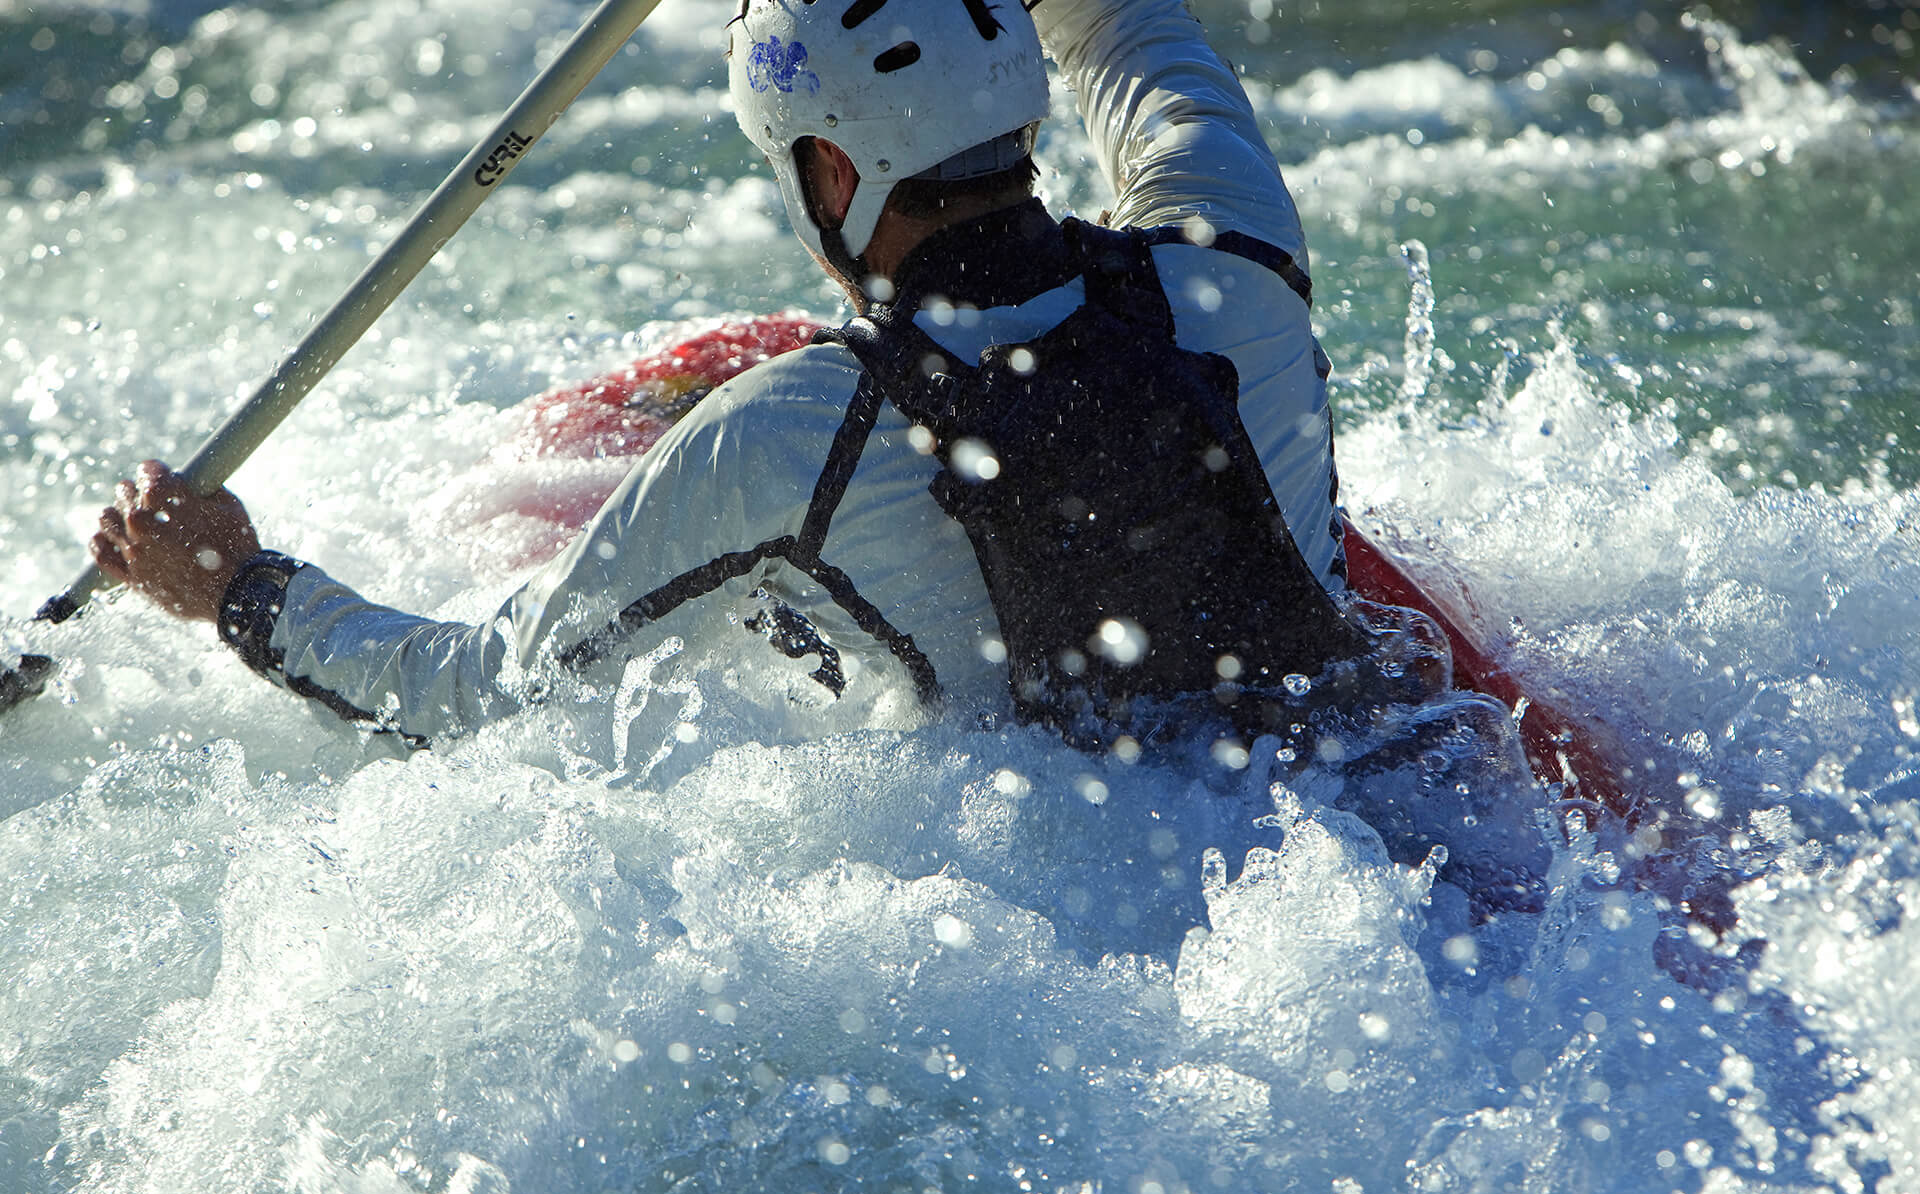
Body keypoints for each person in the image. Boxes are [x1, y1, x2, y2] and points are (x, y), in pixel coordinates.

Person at [91, 0, 1363, 754]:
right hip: (1363, 786)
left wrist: (240, 589)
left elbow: (481, 699)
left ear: (830, 176)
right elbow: (1132, 28)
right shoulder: (1237, 255)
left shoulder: (792, 431)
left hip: (1078, 906)